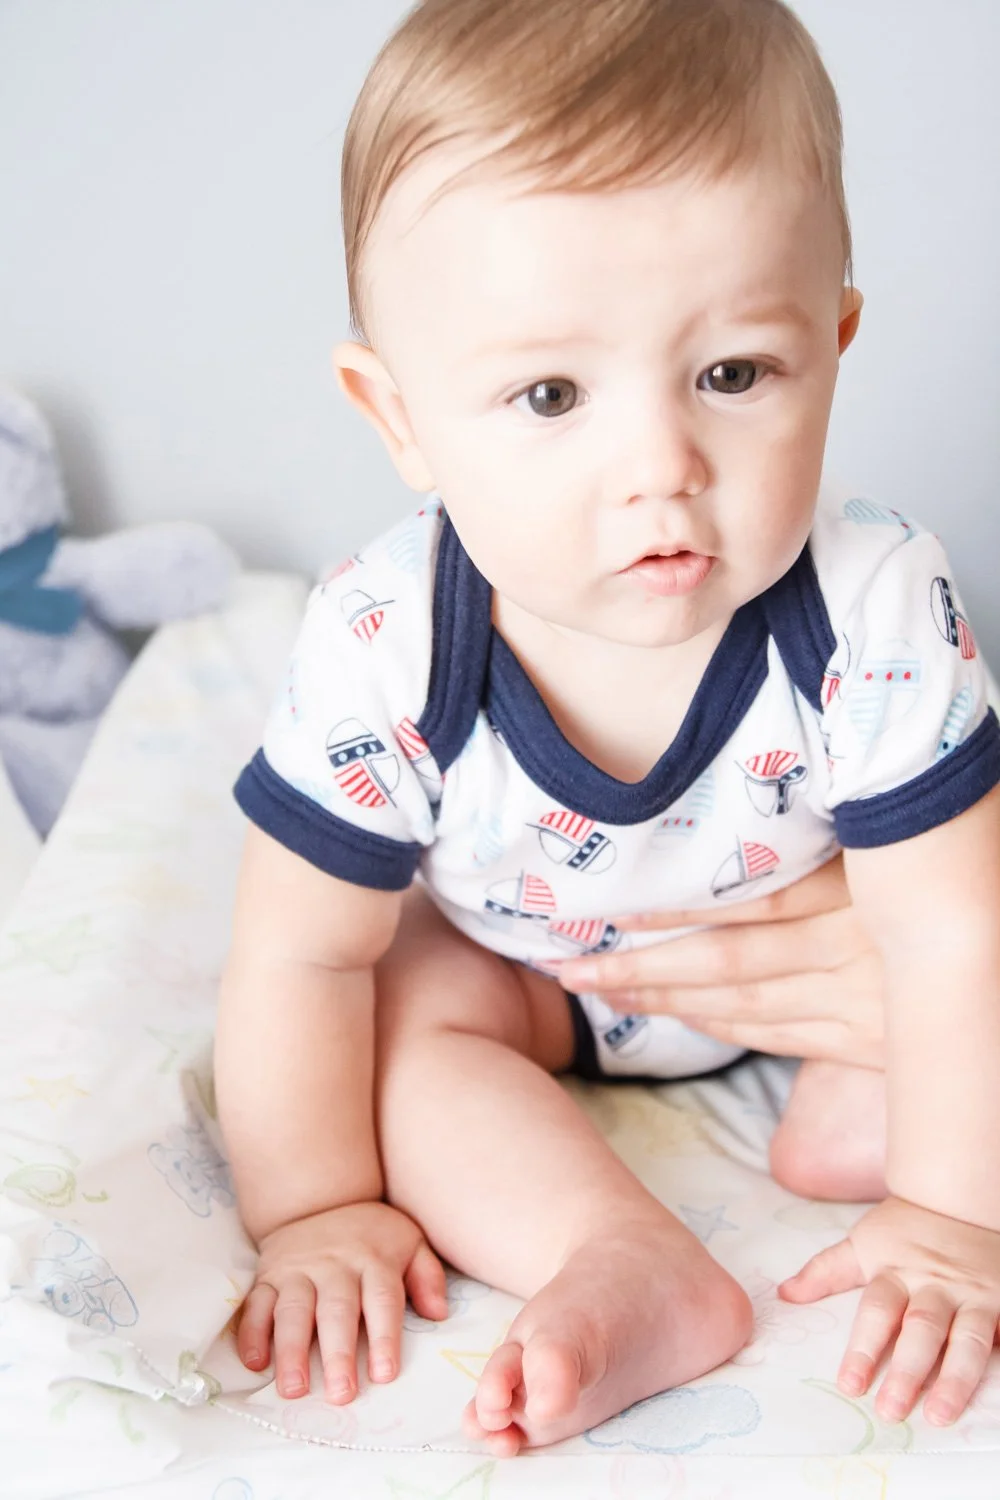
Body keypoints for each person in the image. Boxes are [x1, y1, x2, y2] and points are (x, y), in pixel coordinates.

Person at [215, 0, 1000, 1458]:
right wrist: (316, 1209)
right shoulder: (391, 637)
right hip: (530, 978)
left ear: (832, 344)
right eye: (552, 394)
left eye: (734, 375)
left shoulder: (877, 598)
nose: (659, 469)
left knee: (968, 1004)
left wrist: (954, 1217)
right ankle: (620, 1251)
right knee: (394, 1027)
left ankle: (856, 1128)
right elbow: (300, 949)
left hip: (820, 979)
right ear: (398, 416)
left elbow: (956, 936)